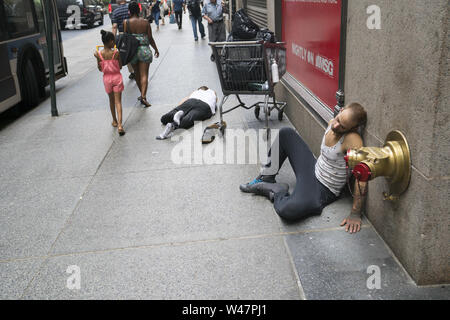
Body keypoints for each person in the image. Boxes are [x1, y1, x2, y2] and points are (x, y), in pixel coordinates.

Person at [240, 103, 369, 234]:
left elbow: (362, 177)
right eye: (338, 120)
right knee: (286, 133)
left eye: (343, 127)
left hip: (323, 189)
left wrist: (355, 213)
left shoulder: (353, 139)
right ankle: (266, 177)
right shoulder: (332, 122)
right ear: (341, 110)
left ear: (354, 128)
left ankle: (277, 191)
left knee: (287, 211)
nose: (336, 126)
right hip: (313, 168)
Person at [124, 1, 160, 108]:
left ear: (129, 11)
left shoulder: (126, 22)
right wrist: (156, 49)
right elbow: (150, 38)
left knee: (137, 75)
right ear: (139, 10)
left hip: (133, 51)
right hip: (144, 50)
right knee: (144, 75)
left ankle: (142, 95)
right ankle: (143, 96)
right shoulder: (145, 22)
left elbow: (126, 38)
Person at [94, 30, 125, 136]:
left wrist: (98, 59)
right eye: (114, 41)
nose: (115, 42)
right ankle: (120, 125)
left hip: (107, 79)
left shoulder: (99, 54)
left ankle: (114, 121)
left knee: (111, 101)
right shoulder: (116, 53)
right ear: (110, 41)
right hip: (117, 78)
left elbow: (99, 69)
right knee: (118, 102)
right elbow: (120, 66)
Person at [111, 0, 135, 80]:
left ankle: (132, 72)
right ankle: (137, 68)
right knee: (135, 51)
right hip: (133, 32)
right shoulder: (130, 8)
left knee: (127, 52)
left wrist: (112, 40)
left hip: (122, 35)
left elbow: (114, 26)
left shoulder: (115, 11)